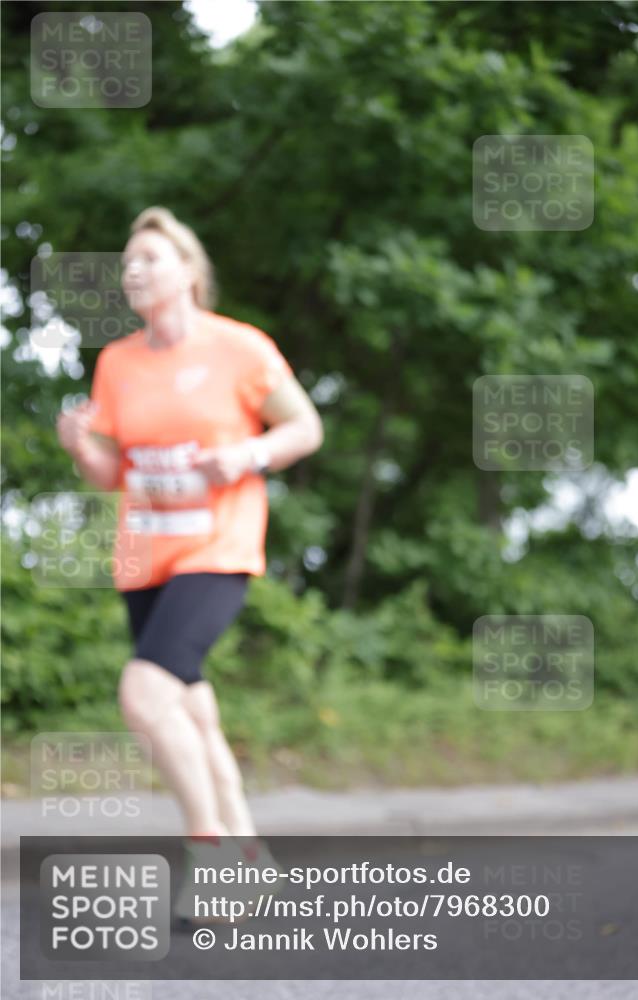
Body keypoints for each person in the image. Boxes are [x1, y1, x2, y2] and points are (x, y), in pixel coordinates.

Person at [56, 206, 324, 920]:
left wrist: (245, 453)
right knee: (193, 710)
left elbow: (304, 426)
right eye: (125, 263)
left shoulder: (239, 348)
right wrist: (82, 447)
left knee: (145, 693)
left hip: (218, 545)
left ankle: (214, 858)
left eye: (147, 257)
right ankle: (249, 852)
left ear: (188, 271)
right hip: (146, 554)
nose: (132, 271)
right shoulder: (117, 362)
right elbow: (111, 472)